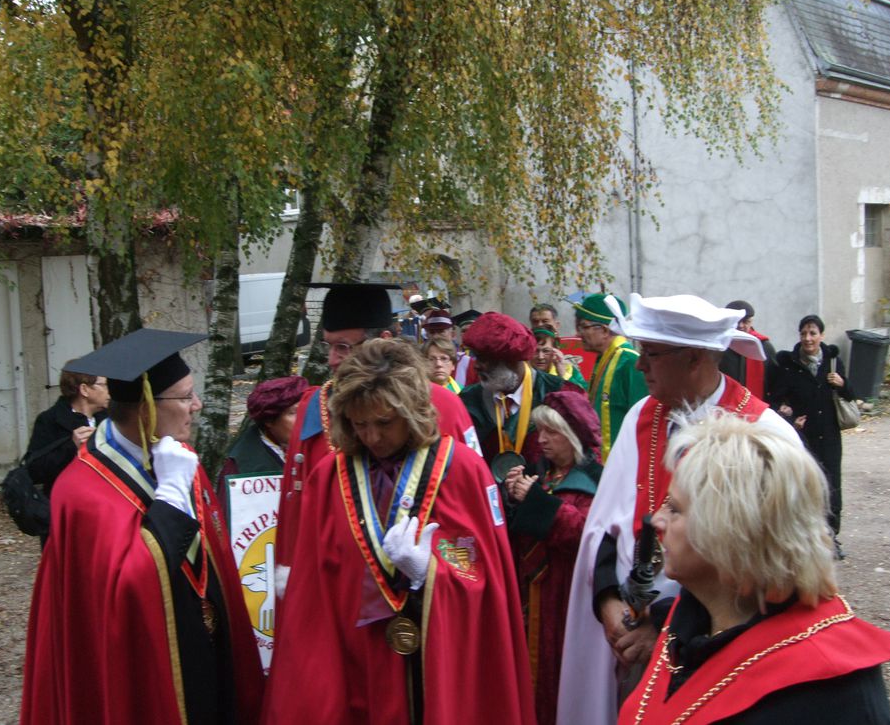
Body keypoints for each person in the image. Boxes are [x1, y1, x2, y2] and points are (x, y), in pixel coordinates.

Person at [262, 339, 536, 725]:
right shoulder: (328, 478)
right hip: (355, 664)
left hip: (440, 664)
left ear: (411, 411)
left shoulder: (462, 469)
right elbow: (312, 594)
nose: (371, 437)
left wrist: (431, 571)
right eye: (360, 424)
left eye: (385, 422)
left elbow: (487, 580)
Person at [557, 294, 800, 725]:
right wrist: (609, 600)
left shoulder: (765, 438)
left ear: (693, 359)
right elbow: (606, 527)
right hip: (629, 638)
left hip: (715, 652)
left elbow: (770, 573)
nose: (638, 366)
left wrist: (666, 626)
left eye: (650, 353)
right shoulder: (640, 418)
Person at [20, 329, 263, 725]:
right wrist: (168, 497)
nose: (197, 406)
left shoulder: (181, 460)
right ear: (147, 407)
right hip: (139, 669)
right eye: (185, 397)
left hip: (206, 653)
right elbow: (126, 589)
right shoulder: (80, 490)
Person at [618, 411, 890, 724]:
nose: (656, 519)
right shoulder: (696, 613)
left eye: (675, 509)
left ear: (729, 536)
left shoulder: (831, 691)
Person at [275, 283, 480, 600]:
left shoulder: (443, 404)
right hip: (336, 587)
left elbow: (467, 509)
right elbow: (295, 500)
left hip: (419, 593)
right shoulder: (312, 406)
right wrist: (291, 570)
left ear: (382, 341)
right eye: (328, 346)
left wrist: (432, 570)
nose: (331, 360)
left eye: (343, 347)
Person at [504, 391, 603, 725]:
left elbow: (587, 534)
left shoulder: (595, 480)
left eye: (551, 432)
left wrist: (537, 502)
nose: (541, 439)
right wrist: (516, 499)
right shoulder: (545, 473)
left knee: (558, 674)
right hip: (534, 595)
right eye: (539, 430)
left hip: (567, 598)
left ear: (572, 435)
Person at [769, 314, 855, 557]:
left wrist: (842, 384)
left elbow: (851, 394)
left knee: (831, 485)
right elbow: (775, 400)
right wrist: (789, 418)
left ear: (821, 336)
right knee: (804, 486)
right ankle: (805, 538)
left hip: (828, 434)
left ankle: (831, 537)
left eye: (813, 333)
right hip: (802, 436)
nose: (808, 338)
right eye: (804, 333)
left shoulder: (833, 362)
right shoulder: (788, 365)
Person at [460, 312, 584, 468]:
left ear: (511, 360)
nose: (476, 365)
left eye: (484, 359)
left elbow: (584, 458)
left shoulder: (561, 394)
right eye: (476, 357)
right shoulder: (467, 401)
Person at [216, 375, 309, 508]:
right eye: (293, 413)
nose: (303, 419)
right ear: (269, 421)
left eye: (305, 410)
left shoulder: (314, 447)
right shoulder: (240, 468)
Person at [572, 293, 647, 457]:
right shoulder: (603, 360)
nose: (578, 334)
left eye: (583, 327)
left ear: (604, 330)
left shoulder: (630, 362)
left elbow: (644, 422)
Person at [25, 365, 110, 497]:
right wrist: (71, 446)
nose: (108, 391)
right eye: (103, 385)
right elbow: (35, 470)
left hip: (105, 498)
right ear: (84, 390)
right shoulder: (51, 420)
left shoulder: (109, 418)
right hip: (68, 500)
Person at [719, 299, 776, 401]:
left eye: (745, 321)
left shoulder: (764, 347)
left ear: (751, 322)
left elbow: (774, 382)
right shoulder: (719, 345)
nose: (740, 326)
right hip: (723, 406)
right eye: (737, 321)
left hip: (756, 406)